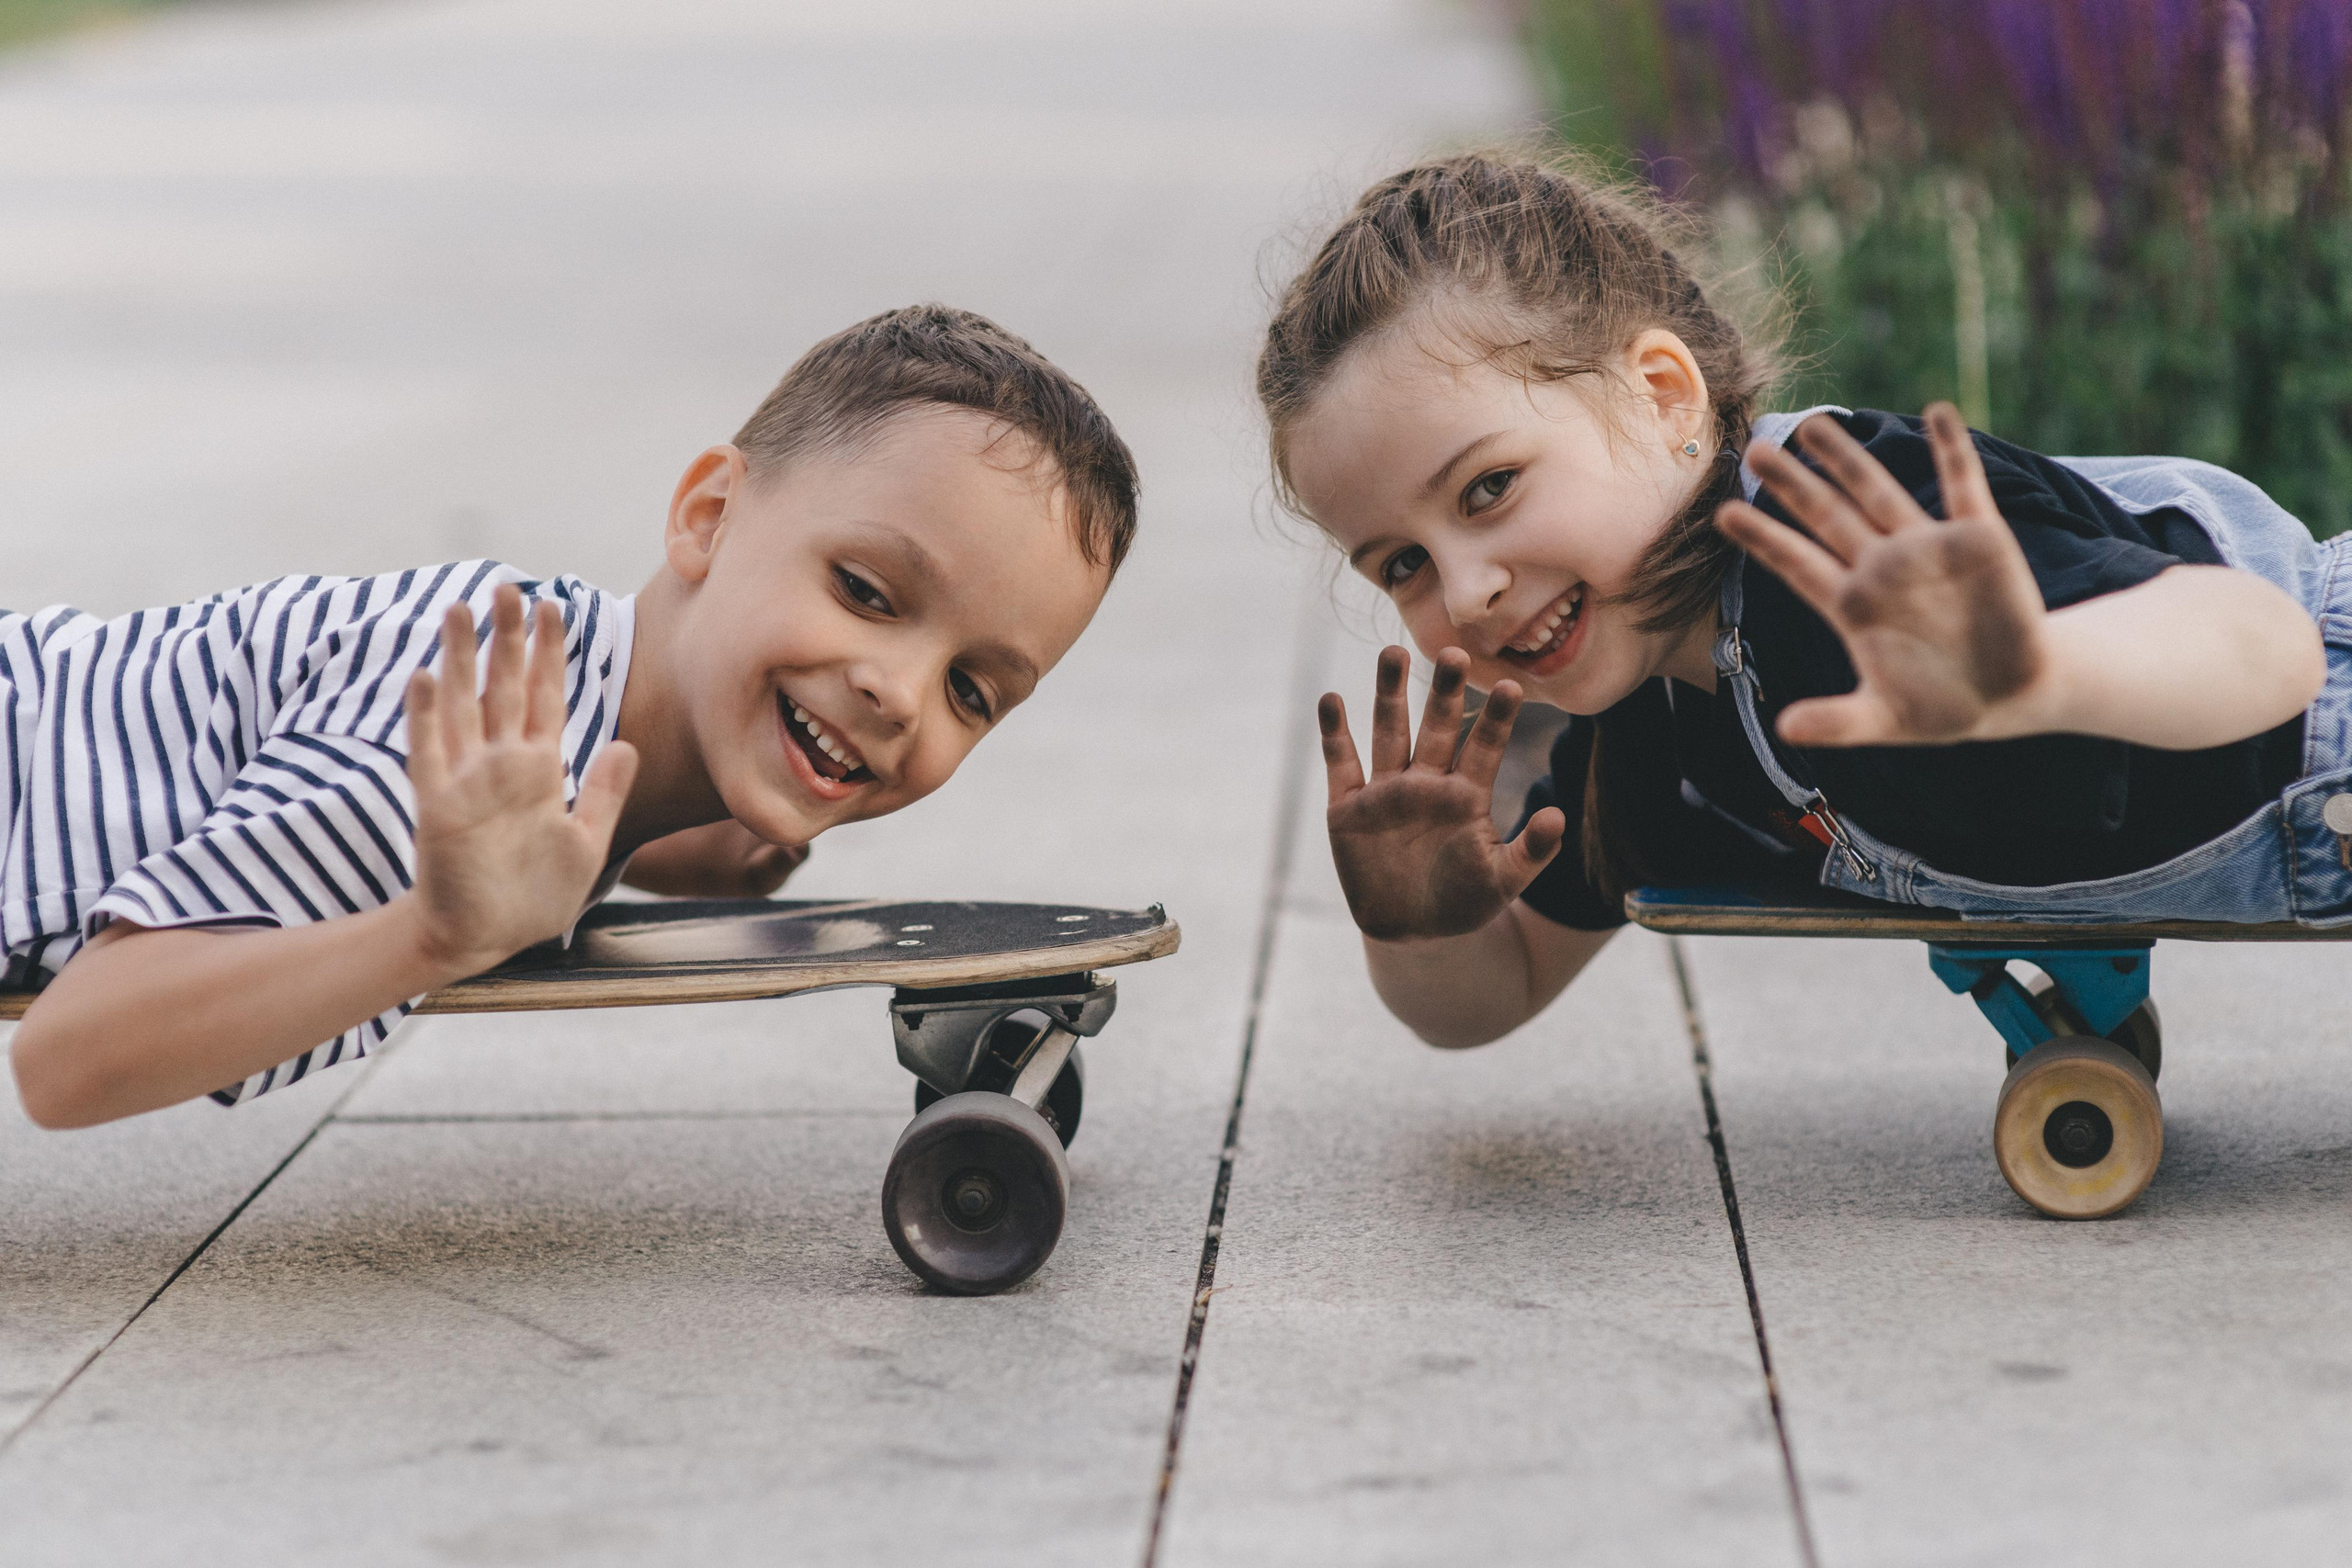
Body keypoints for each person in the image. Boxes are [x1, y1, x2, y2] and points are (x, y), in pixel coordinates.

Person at [1259, 150, 2340, 1050]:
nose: (1468, 589)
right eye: (1400, 564)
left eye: (1488, 489)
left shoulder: (1846, 522)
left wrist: (2041, 673)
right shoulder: (1643, 717)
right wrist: (1418, 927)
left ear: (1661, 395)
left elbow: (2267, 644)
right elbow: (1496, 996)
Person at [9, 304, 1137, 1126]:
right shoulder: (461, 749)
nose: (900, 692)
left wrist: (691, 842)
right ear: (706, 516)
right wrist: (435, 934)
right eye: (866, 593)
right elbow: (66, 1061)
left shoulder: (588, 689)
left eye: (971, 692)